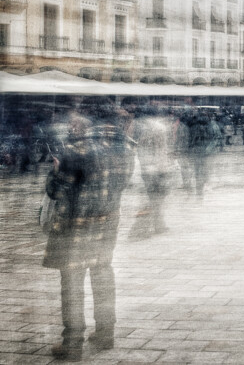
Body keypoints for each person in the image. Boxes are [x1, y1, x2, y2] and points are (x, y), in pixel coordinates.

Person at [43, 98, 136, 361]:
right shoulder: (126, 148)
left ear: (87, 117)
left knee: (72, 282)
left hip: (75, 227)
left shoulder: (77, 149)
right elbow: (122, 184)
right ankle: (106, 332)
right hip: (107, 224)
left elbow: (56, 191)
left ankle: (72, 343)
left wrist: (56, 170)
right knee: (103, 274)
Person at [128, 104, 173, 240]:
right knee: (156, 198)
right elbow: (161, 149)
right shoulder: (158, 127)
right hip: (158, 167)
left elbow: (139, 146)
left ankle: (154, 225)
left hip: (149, 167)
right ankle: (147, 227)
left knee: (152, 197)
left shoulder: (142, 126)